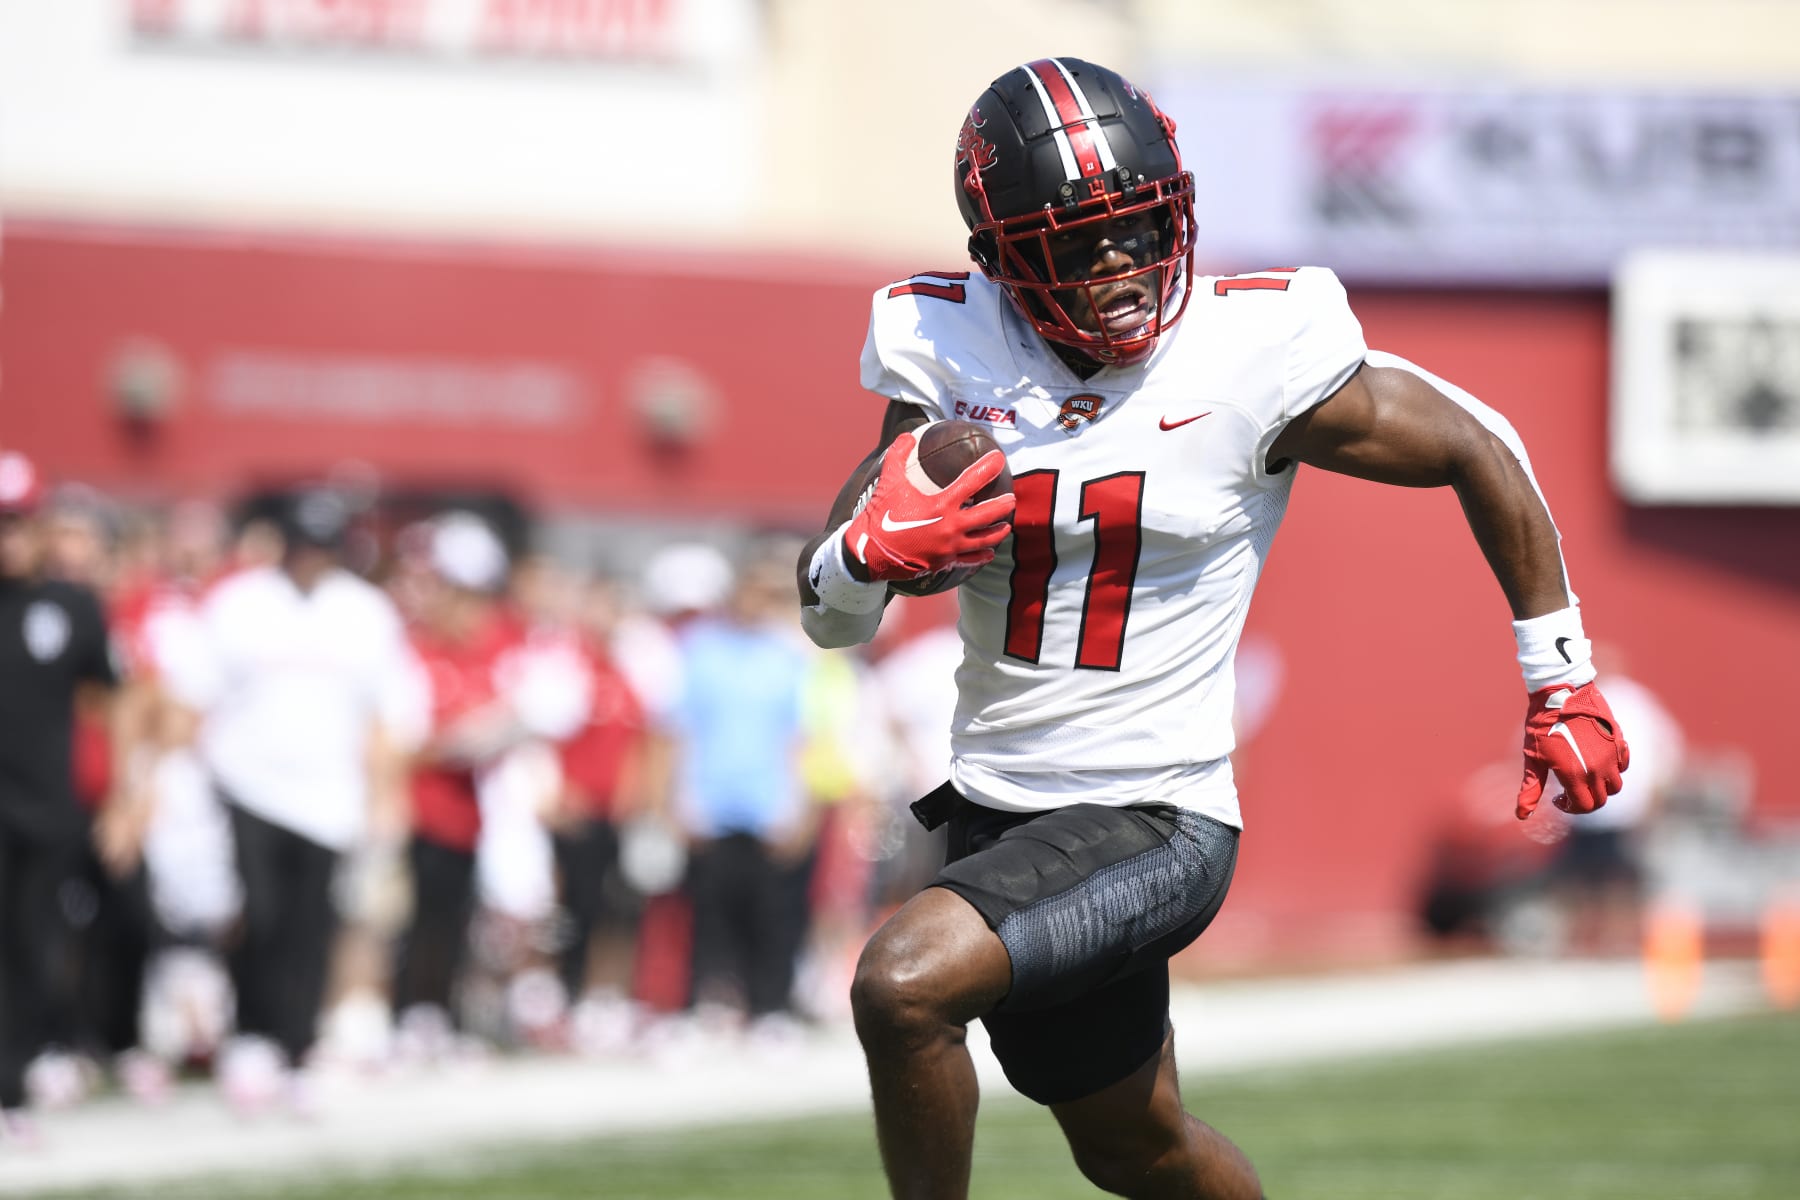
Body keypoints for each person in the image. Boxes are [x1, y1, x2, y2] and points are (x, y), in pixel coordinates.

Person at [795, 58, 1632, 1200]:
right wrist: (860, 559)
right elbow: (829, 616)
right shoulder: (946, 352)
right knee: (1138, 1150)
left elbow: (1475, 445)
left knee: (901, 984)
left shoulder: (1249, 350)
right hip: (999, 815)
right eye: (1076, 242)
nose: (1121, 264)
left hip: (1159, 813)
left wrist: (1560, 677)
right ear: (1000, 259)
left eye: (1139, 227)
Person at [165, 487, 415, 1114]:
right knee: (259, 914)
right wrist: (185, 787)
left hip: (331, 795)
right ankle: (250, 1034)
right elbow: (194, 696)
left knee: (312, 923)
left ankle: (296, 1045)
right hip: (248, 786)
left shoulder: (364, 612)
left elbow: (391, 712)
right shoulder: (240, 604)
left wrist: (385, 795)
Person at [0, 452, 149, 1140]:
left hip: (45, 810)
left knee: (35, 947)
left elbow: (115, 699)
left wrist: (122, 796)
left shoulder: (71, 605)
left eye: (18, 525)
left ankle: (13, 1087)